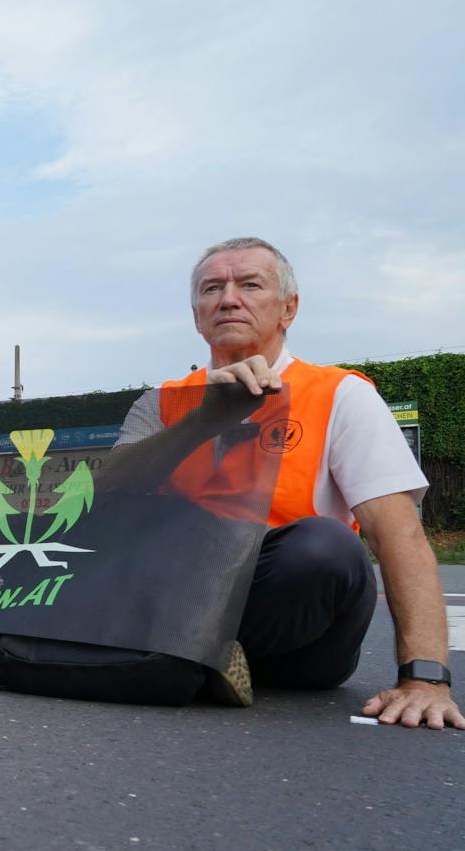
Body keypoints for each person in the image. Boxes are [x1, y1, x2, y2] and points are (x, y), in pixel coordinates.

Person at [106, 237, 460, 728]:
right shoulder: (164, 400)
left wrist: (425, 680)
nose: (228, 298)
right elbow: (108, 497)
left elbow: (397, 534)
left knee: (328, 547)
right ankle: (199, 659)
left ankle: (175, 657)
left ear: (287, 309)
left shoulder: (340, 394)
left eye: (250, 285)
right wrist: (202, 422)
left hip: (295, 617)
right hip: (182, 591)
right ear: (196, 314)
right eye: (212, 288)